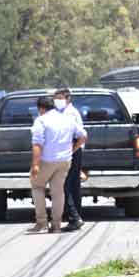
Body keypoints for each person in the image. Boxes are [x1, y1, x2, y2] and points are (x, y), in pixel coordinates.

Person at [29, 96, 88, 233]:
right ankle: (56, 225)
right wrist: (73, 149)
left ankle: (42, 222)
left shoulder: (41, 120)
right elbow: (83, 135)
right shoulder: (67, 119)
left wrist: (35, 165)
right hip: (65, 161)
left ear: (41, 108)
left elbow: (37, 144)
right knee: (58, 192)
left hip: (47, 161)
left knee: (37, 186)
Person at [55, 88, 85, 231]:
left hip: (71, 151)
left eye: (59, 98)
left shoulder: (69, 113)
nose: (57, 101)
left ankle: (74, 217)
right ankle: (75, 216)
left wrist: (71, 151)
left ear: (68, 99)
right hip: (71, 151)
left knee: (65, 185)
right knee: (72, 185)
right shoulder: (64, 112)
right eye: (56, 98)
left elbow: (78, 135)